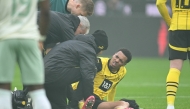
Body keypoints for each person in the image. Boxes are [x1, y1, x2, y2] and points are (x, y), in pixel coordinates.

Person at [0, 0, 51, 109]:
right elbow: (46, 12)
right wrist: (41, 38)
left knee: (3, 91)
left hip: (6, 37)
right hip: (29, 38)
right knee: (38, 92)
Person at [43, 30, 108, 109]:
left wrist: (71, 97)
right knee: (91, 70)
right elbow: (87, 76)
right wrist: (89, 97)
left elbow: (65, 76)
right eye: (102, 51)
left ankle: (73, 104)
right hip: (53, 74)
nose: (100, 53)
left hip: (44, 76)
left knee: (61, 106)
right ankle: (77, 104)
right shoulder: (88, 50)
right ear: (99, 47)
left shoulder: (73, 43)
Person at [71, 49, 137, 109]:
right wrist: (81, 100)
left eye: (121, 61)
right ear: (113, 54)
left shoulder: (122, 72)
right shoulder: (99, 63)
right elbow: (83, 78)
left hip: (97, 100)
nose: (116, 60)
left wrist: (110, 102)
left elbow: (113, 87)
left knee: (130, 103)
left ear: (124, 64)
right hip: (84, 94)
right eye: (116, 57)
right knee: (125, 103)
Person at [156, 0, 190, 109]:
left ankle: (170, 105)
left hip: (177, 27)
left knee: (175, 68)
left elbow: (159, 3)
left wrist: (169, 21)